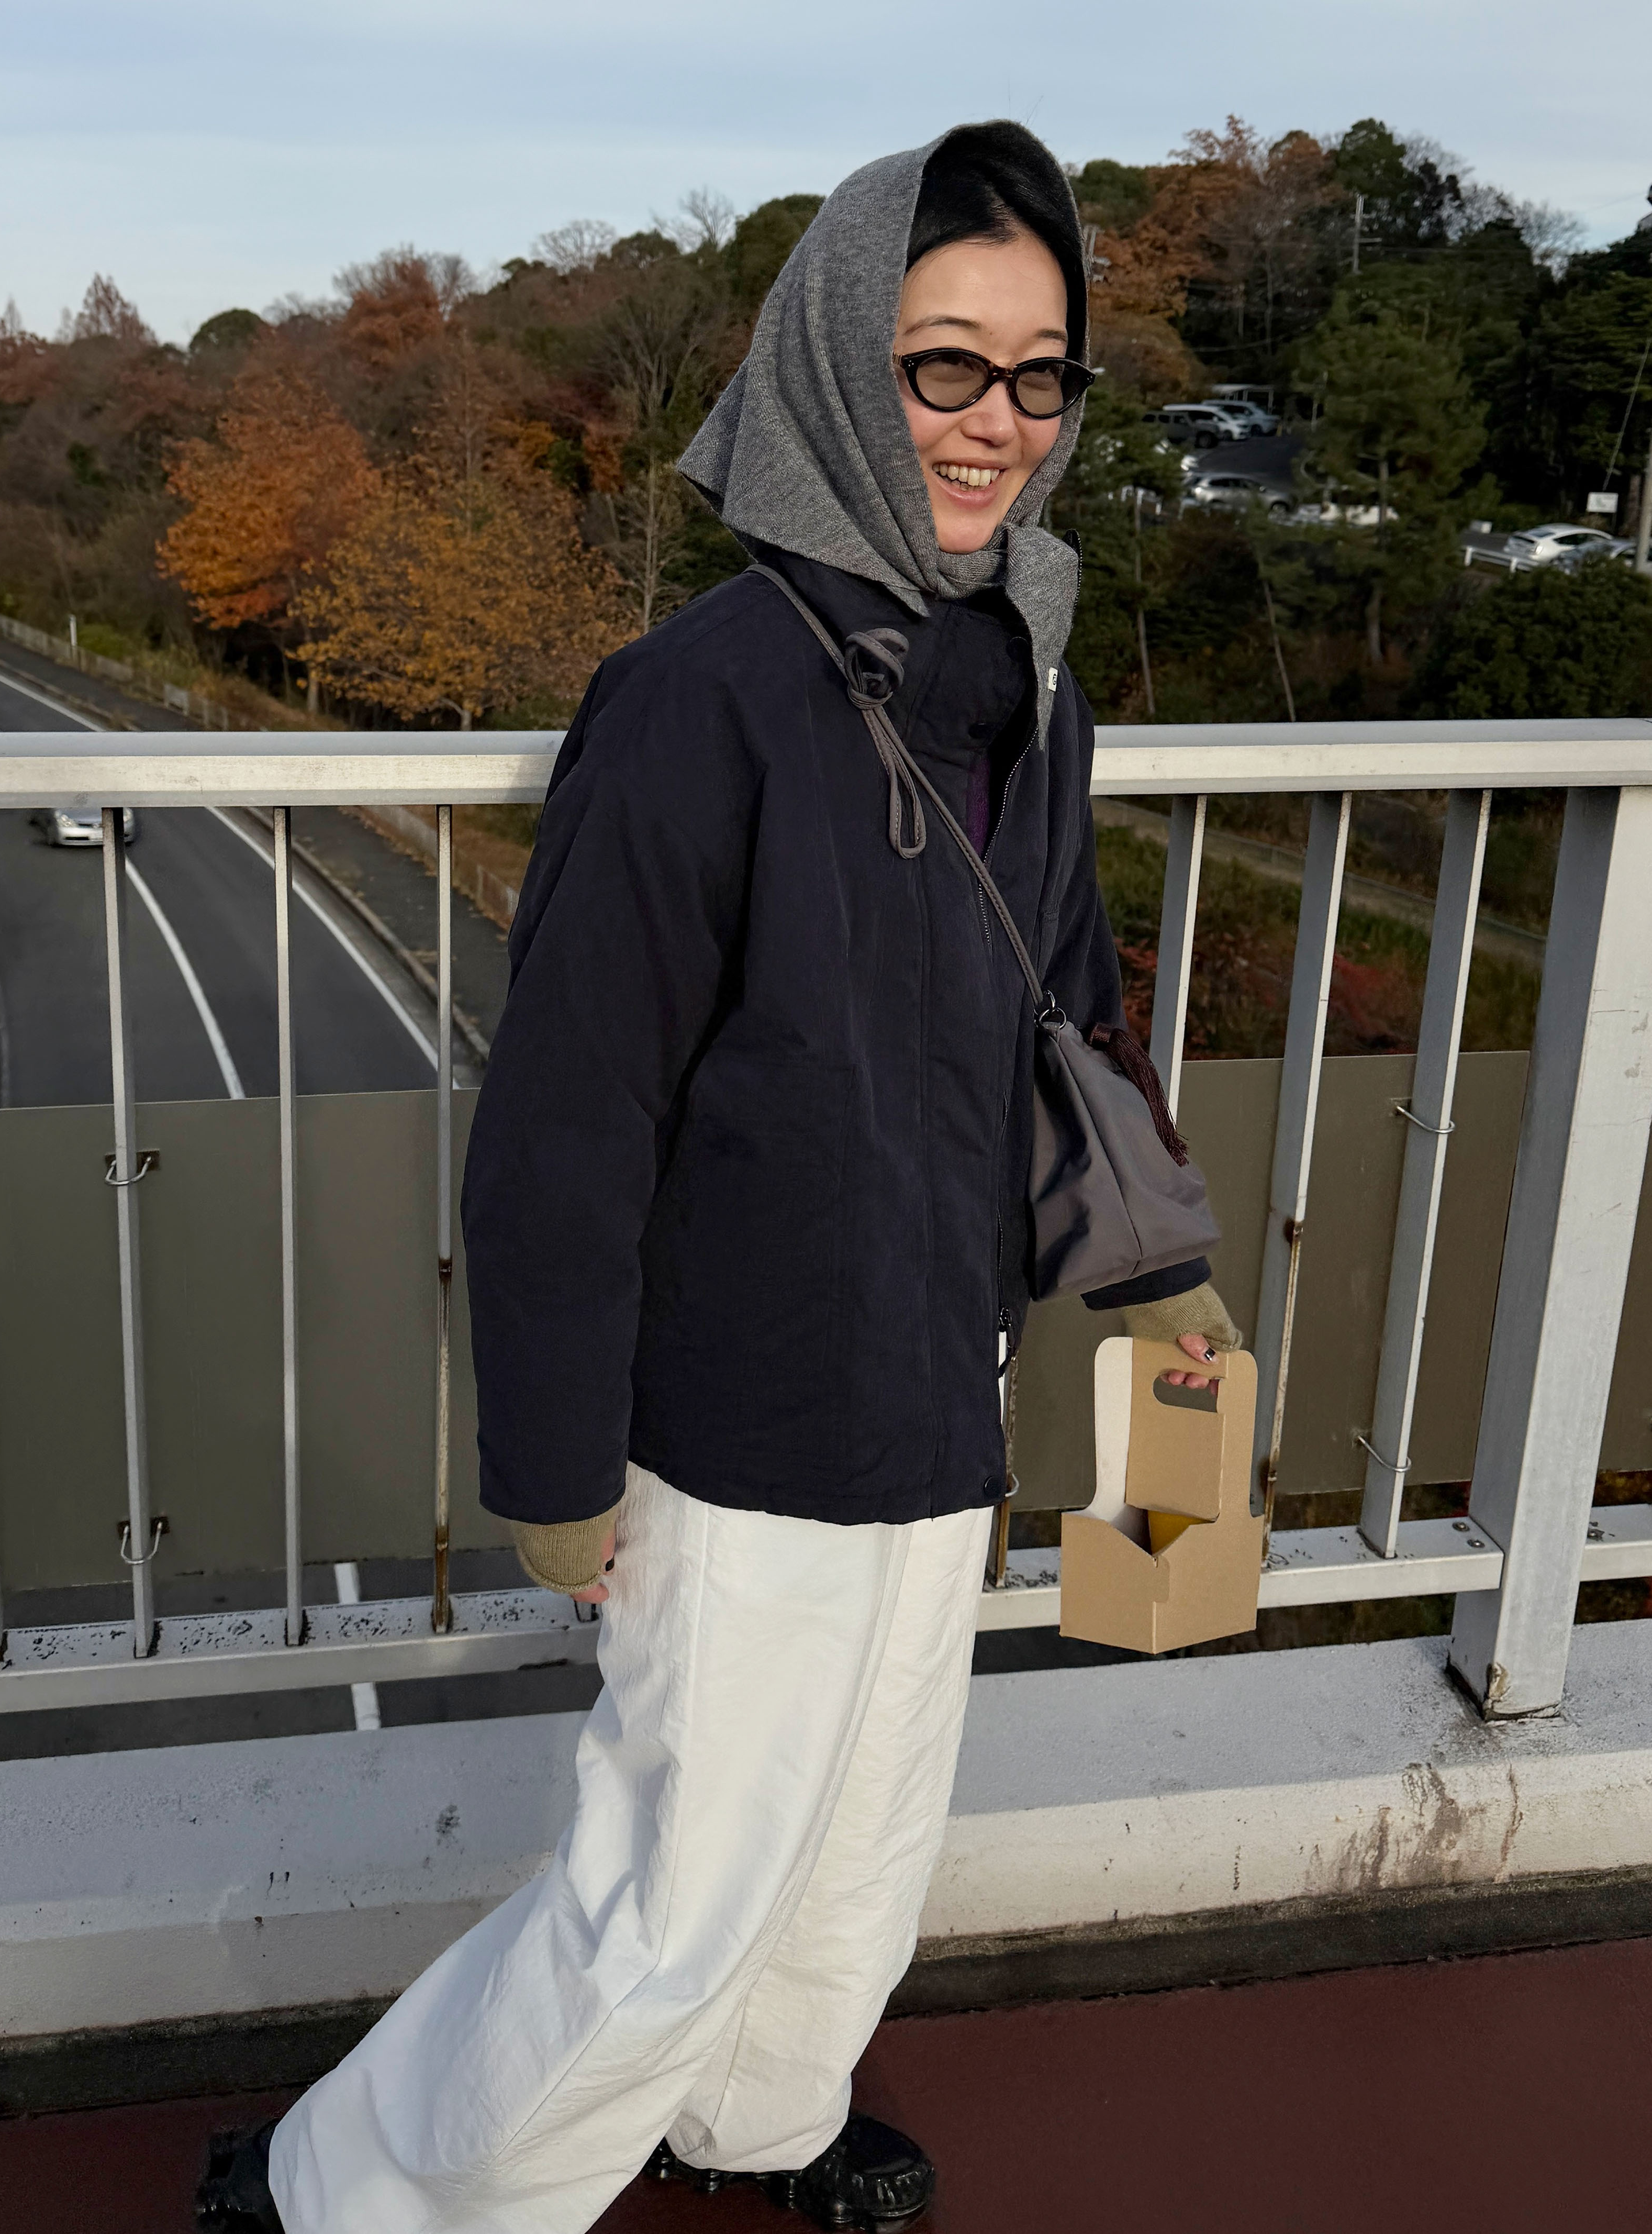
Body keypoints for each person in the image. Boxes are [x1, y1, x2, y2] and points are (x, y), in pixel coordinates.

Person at [199, 118, 1236, 2234]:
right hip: (739, 1419)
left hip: (940, 1382)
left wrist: (1154, 1278)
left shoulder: (1028, 682)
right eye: (946, 365)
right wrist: (558, 1460)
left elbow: (1069, 1009)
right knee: (664, 1901)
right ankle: (349, 2188)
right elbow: (569, 1116)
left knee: (862, 1842)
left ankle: (760, 2117)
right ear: (842, 359)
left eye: (1040, 374)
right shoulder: (699, 699)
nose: (998, 422)